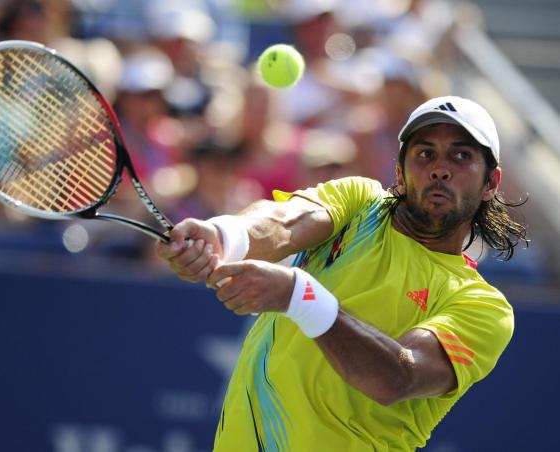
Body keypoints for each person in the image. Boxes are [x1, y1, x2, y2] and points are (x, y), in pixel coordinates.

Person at [156, 95, 528, 450]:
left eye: (461, 156)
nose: (440, 168)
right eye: (424, 153)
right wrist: (224, 235)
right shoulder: (359, 204)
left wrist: (300, 296)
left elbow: (399, 377)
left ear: (490, 183)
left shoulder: (482, 307)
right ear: (399, 172)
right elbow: (286, 221)